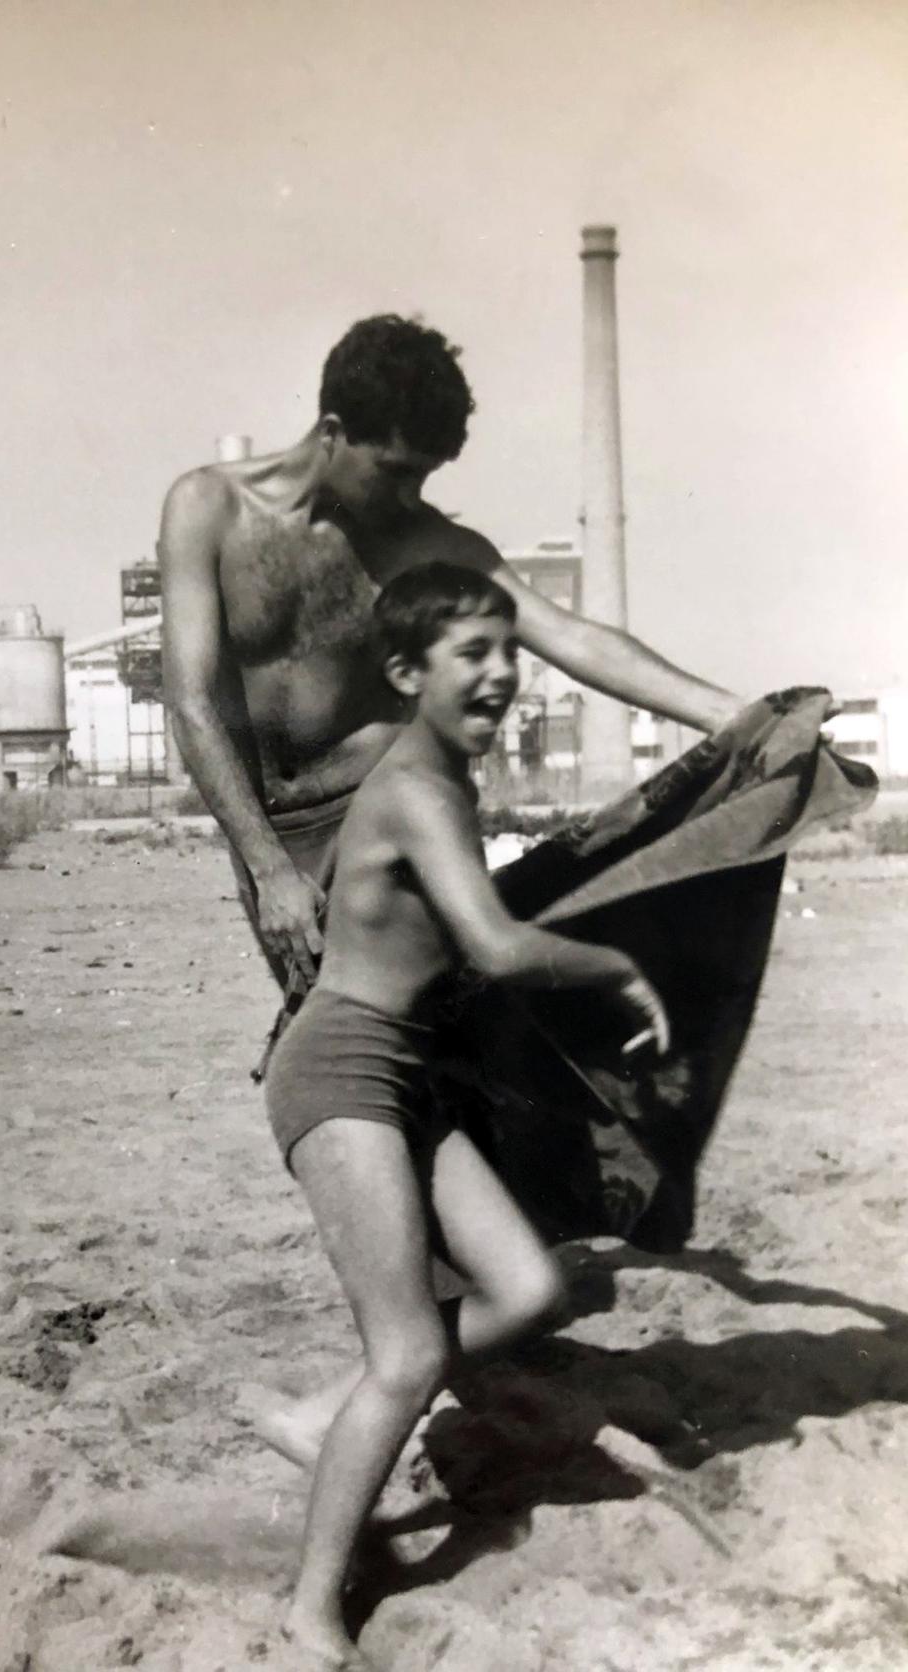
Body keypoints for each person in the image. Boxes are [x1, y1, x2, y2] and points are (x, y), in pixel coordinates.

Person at [261, 563, 670, 1670]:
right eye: (471, 655)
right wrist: (617, 966)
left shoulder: (444, 777)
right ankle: (309, 1609)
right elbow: (495, 945)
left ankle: (317, 1419)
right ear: (406, 672)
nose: (501, 674)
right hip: (342, 1072)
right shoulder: (415, 786)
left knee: (531, 1286)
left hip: (406, 1078)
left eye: (508, 650)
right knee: (403, 1355)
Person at [158, 314, 742, 998]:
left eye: (425, 478)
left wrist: (729, 714)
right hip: (269, 828)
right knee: (320, 1013)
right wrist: (268, 867)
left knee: (406, 1016)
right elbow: (192, 700)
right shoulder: (207, 508)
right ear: (334, 432)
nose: (411, 498)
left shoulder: (423, 540)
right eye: (395, 472)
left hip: (381, 807)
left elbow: (569, 635)